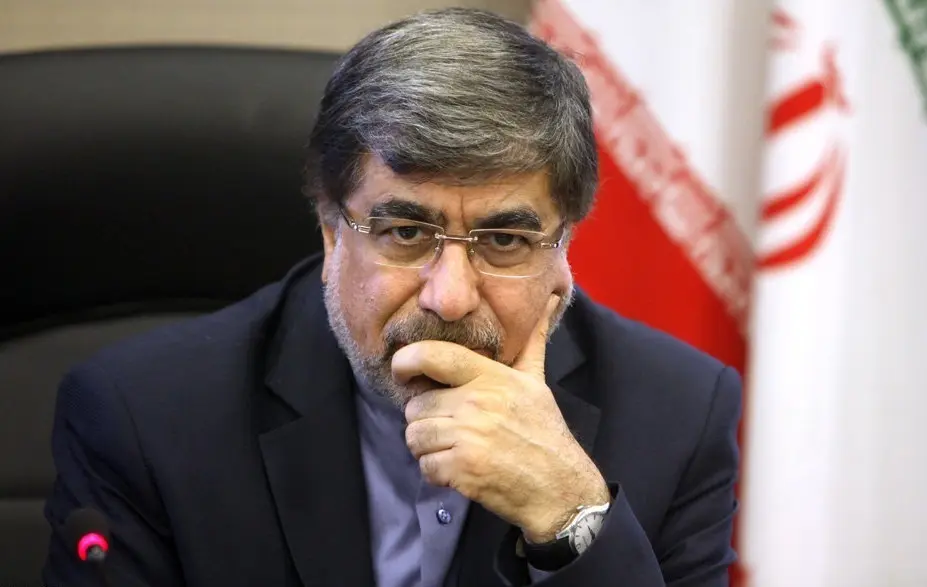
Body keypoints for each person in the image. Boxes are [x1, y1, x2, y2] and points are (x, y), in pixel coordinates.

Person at [42, 8, 741, 587]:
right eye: (406, 232)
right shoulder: (141, 416)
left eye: (503, 240)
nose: (450, 298)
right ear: (330, 233)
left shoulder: (679, 413)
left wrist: (570, 516)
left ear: (563, 248)